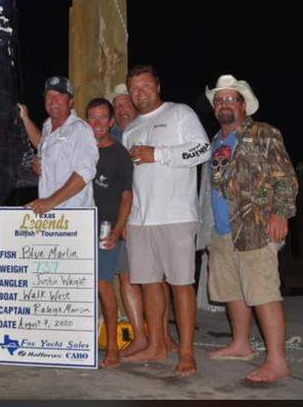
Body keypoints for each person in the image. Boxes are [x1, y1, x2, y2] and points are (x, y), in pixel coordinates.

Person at [202, 74, 297, 383]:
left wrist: (280, 214)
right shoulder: (215, 141)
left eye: (231, 99)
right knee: (232, 291)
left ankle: (277, 361)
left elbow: (285, 177)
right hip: (221, 228)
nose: (223, 104)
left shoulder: (263, 132)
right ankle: (241, 344)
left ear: (244, 104)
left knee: (262, 291)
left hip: (255, 225)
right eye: (219, 100)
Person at [120, 65, 210, 376]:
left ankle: (186, 352)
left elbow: (202, 149)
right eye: (134, 88)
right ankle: (157, 346)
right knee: (148, 285)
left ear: (158, 85)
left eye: (145, 86)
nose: (140, 92)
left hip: (176, 216)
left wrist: (158, 154)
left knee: (181, 284)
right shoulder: (130, 129)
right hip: (140, 220)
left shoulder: (179, 113)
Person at [84, 97, 135, 367]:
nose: (97, 123)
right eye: (92, 118)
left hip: (106, 227)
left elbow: (127, 196)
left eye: (103, 117)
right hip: (79, 227)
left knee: (104, 284)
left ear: (112, 122)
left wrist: (117, 229)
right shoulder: (80, 150)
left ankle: (113, 347)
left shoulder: (120, 153)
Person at [25, 76, 99, 215]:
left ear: (71, 101)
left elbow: (84, 172)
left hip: (75, 216)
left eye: (60, 95)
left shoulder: (80, 130)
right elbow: (42, 146)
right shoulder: (47, 126)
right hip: (51, 217)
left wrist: (50, 202)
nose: (53, 101)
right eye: (49, 96)